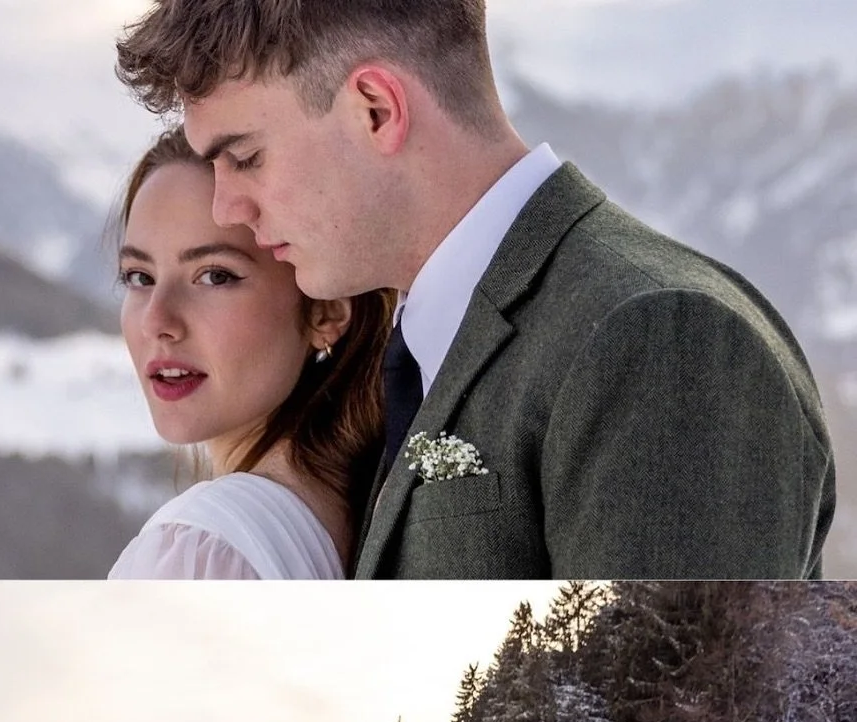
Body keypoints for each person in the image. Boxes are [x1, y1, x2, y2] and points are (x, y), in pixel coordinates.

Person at [113, 0, 834, 581]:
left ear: (376, 109)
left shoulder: (660, 338)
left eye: (245, 158)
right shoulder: (430, 345)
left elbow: (663, 719)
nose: (230, 204)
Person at [108, 127, 393, 578]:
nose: (157, 322)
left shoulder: (199, 551)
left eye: (215, 276)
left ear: (326, 309)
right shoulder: (365, 510)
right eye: (139, 277)